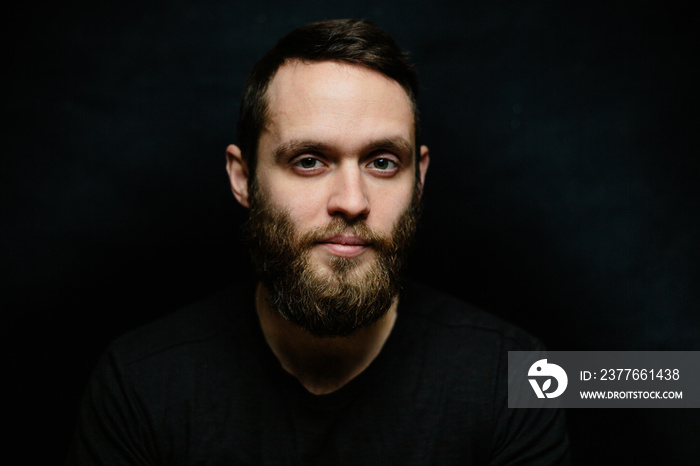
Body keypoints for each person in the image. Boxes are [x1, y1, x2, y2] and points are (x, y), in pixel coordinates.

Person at [68, 18, 570, 465]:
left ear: (419, 179)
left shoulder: (516, 379)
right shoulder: (139, 385)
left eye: (382, 162)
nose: (352, 201)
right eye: (309, 161)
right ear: (243, 178)